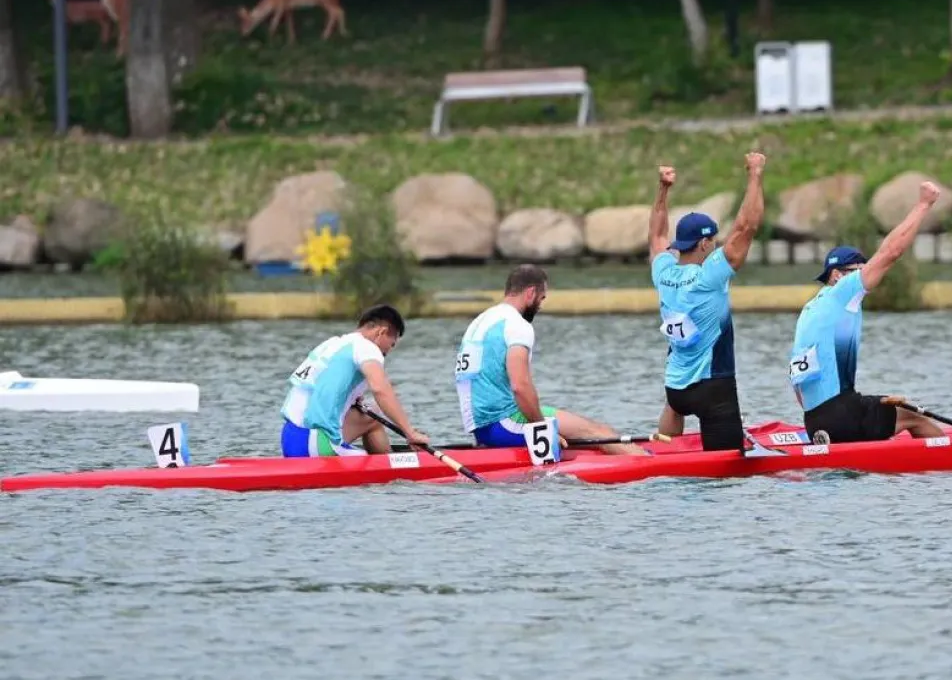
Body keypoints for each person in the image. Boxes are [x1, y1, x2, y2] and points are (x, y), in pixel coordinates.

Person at [786, 182, 947, 445]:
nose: (866, 276)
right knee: (912, 416)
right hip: (841, 416)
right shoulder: (843, 292)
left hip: (815, 421)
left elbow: (798, 384)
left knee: (888, 409)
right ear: (837, 275)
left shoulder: (809, 310)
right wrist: (923, 205)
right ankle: (951, 462)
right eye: (858, 270)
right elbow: (891, 252)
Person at [456, 264, 646, 456]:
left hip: (480, 428)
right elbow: (520, 386)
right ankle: (649, 465)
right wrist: (541, 429)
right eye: (541, 298)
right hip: (504, 423)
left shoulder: (481, 321)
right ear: (531, 293)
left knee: (579, 444)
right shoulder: (516, 325)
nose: (540, 305)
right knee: (599, 432)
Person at [648, 152, 766, 452]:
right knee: (726, 474)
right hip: (714, 390)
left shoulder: (663, 272)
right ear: (703, 244)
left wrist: (663, 190)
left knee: (673, 412)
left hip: (675, 389)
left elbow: (657, 233)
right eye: (712, 241)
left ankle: (662, 456)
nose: (715, 245)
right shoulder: (709, 277)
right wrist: (755, 174)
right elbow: (746, 227)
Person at [280, 303, 430, 457]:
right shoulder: (367, 347)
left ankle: (386, 461)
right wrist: (410, 432)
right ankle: (390, 468)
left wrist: (350, 399)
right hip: (314, 444)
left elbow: (321, 386)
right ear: (381, 332)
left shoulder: (332, 344)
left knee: (373, 414)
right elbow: (380, 390)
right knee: (370, 464)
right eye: (391, 344)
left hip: (290, 439)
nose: (388, 351)